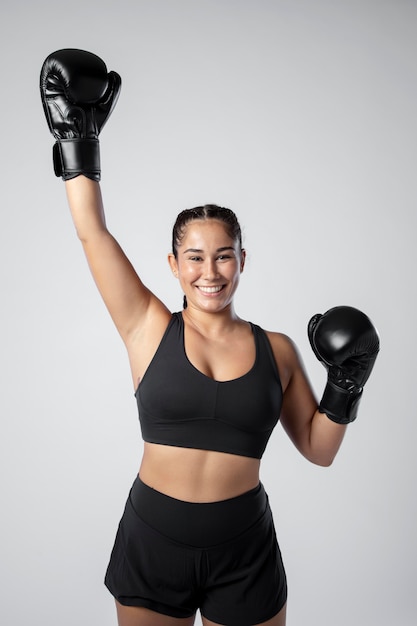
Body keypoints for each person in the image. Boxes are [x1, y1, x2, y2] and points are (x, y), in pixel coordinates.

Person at [40, 49, 380, 626]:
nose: (210, 272)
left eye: (224, 257)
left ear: (243, 261)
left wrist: (347, 382)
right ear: (173, 265)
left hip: (243, 550)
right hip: (154, 543)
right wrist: (77, 139)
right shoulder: (146, 326)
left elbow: (319, 451)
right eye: (195, 258)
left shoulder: (278, 350)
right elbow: (92, 233)